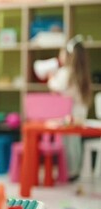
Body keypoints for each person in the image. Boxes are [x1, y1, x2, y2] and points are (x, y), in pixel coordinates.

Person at [47, 34, 92, 180]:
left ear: (68, 55)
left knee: (68, 143)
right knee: (75, 142)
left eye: (61, 52)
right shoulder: (82, 73)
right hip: (80, 115)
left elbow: (55, 85)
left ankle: (70, 171)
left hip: (69, 116)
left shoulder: (65, 72)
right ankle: (75, 170)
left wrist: (50, 77)